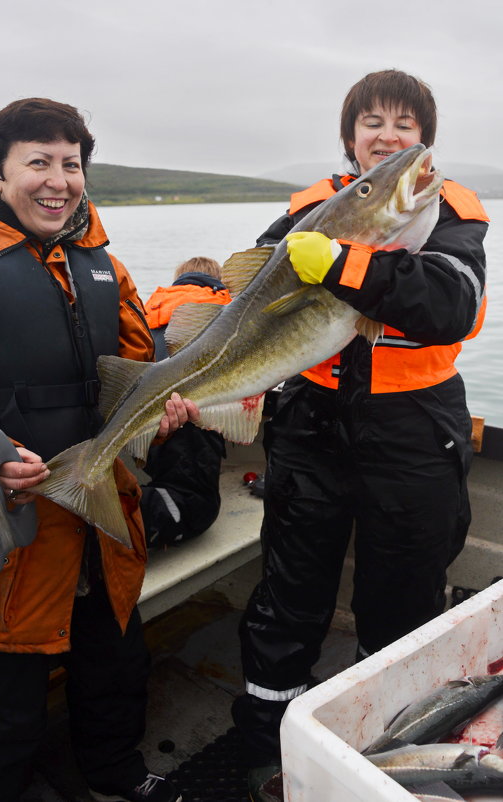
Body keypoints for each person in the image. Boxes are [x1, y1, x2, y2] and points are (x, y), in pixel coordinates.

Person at [0, 98, 198, 802]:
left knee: (115, 671)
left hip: (102, 521)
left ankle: (115, 778)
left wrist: (168, 410)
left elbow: (142, 365)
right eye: (37, 162)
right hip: (2, 537)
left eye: (70, 164)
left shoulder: (103, 264)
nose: (58, 180)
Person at [231, 70, 489, 801]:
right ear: (350, 136)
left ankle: (383, 761)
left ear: (423, 140)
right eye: (371, 121)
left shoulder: (450, 210)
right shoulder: (310, 208)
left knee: (401, 604)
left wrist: (343, 263)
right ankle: (267, 752)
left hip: (413, 429)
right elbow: (236, 300)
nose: (387, 135)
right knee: (288, 597)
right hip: (310, 426)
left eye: (403, 124)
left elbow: (448, 307)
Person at [140, 256, 230, 548]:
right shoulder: (227, 317)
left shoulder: (146, 317)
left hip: (151, 435)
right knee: (196, 509)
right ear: (220, 281)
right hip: (192, 438)